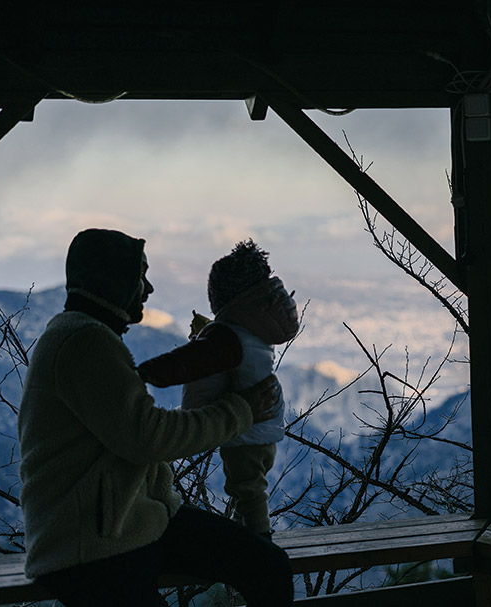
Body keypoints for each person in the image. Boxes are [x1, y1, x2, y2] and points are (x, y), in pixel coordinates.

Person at [17, 228, 293, 606]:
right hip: (88, 546)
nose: (148, 289)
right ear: (115, 280)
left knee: (268, 566)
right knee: (266, 567)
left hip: (136, 523)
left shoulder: (87, 335)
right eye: (140, 276)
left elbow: (138, 431)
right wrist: (242, 410)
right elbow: (148, 437)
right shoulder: (83, 343)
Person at [141, 239, 298, 537]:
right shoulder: (253, 332)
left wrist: (148, 372)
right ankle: (247, 536)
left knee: (247, 489)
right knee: (248, 489)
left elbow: (190, 362)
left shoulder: (228, 338)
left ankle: (259, 540)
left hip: (248, 431)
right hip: (266, 428)